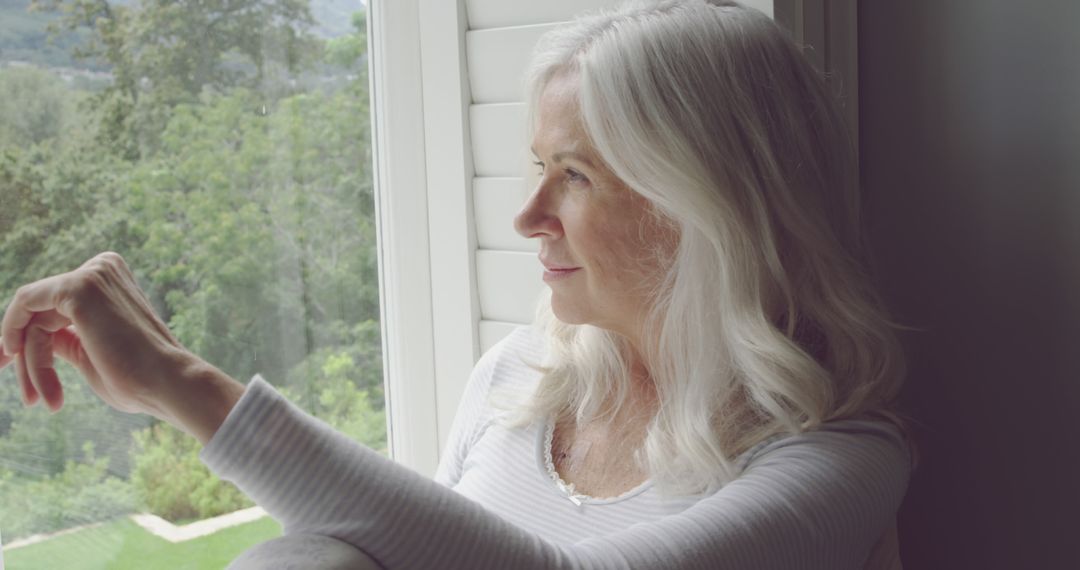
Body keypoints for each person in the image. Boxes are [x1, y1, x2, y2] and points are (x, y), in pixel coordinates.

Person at [0, 0, 916, 568]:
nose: (528, 217)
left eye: (577, 174)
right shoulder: (517, 380)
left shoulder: (838, 462)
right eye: (536, 167)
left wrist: (182, 383)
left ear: (707, 203)